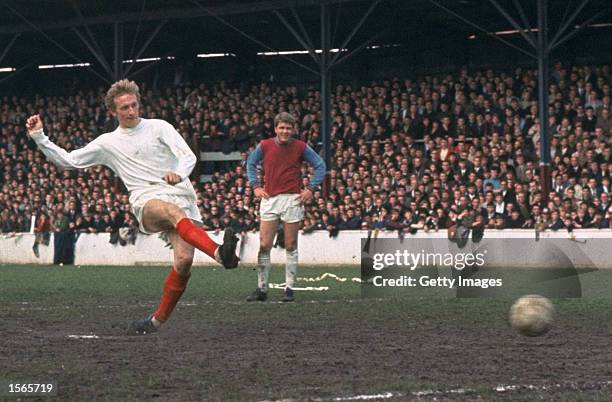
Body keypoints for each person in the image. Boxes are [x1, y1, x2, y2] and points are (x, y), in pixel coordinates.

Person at [25, 79, 239, 335]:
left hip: (180, 195)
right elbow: (69, 161)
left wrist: (179, 174)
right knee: (172, 213)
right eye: (124, 107)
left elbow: (188, 156)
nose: (131, 111)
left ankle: (154, 323)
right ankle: (218, 253)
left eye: (133, 105)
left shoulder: (160, 127)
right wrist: (39, 137)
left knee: (183, 261)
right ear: (113, 112)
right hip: (146, 199)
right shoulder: (108, 142)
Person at [246, 112, 325, 302]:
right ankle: (262, 289)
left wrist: (310, 189)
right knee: (264, 245)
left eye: (288, 128)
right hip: (270, 199)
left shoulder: (300, 146)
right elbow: (250, 163)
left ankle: (289, 289)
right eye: (281, 127)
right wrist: (256, 186)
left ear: (293, 130)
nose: (285, 131)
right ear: (275, 129)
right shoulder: (265, 145)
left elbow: (320, 165)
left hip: (292, 199)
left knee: (290, 245)